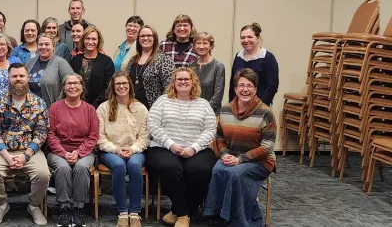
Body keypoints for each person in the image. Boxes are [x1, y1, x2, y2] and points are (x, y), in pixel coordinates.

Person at [146, 67, 217, 227]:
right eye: (180, 79)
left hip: (197, 149)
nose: (183, 82)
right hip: (164, 147)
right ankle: (185, 214)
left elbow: (211, 129)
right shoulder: (163, 101)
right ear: (174, 82)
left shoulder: (204, 104)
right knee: (170, 167)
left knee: (199, 170)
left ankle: (177, 211)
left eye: (187, 79)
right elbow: (152, 125)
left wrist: (194, 147)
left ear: (193, 83)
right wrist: (172, 145)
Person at [205, 68, 276, 227]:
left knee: (235, 174)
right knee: (217, 170)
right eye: (241, 85)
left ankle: (240, 221)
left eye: (249, 85)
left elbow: (267, 147)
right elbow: (220, 137)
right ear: (235, 89)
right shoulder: (226, 109)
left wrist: (240, 160)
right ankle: (218, 216)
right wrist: (223, 154)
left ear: (255, 89)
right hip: (232, 156)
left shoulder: (266, 113)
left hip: (261, 162)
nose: (245, 89)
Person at [0, 63, 50, 225]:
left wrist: (26, 155)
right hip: (2, 151)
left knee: (43, 174)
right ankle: (1, 204)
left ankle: (34, 206)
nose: (18, 79)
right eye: (14, 76)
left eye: (21, 76)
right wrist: (6, 156)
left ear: (28, 78)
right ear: (8, 79)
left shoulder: (38, 103)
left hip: (30, 151)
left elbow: (41, 133)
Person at [97, 71, 150, 227]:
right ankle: (122, 212)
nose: (121, 86)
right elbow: (99, 136)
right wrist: (115, 149)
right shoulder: (103, 108)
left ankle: (134, 212)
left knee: (134, 165)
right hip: (110, 151)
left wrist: (132, 149)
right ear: (113, 87)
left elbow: (145, 137)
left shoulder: (140, 108)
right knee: (119, 166)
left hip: (135, 150)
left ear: (130, 86)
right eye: (118, 84)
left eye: (124, 83)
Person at [47, 73, 99, 227]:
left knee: (82, 167)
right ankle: (63, 208)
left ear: (82, 87)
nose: (72, 86)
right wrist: (63, 153)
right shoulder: (55, 108)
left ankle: (78, 208)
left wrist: (79, 153)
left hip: (84, 152)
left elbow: (93, 136)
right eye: (69, 83)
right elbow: (50, 134)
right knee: (63, 167)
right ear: (64, 88)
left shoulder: (90, 110)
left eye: (76, 83)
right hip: (58, 151)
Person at [123, 25, 175, 109]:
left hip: (154, 109)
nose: (145, 38)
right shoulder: (133, 60)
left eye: (149, 35)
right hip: (132, 108)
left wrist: (160, 109)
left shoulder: (164, 59)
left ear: (155, 38)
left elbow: (169, 87)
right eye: (142, 36)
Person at [229, 22, 279, 106]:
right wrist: (232, 103)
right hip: (239, 105)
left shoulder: (268, 58)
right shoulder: (238, 56)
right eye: (242, 37)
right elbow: (233, 83)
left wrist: (260, 106)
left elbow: (272, 86)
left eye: (250, 37)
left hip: (260, 106)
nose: (245, 40)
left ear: (258, 38)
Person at [69, 26, 115, 108]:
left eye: (94, 39)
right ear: (83, 40)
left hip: (99, 107)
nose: (90, 42)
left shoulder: (106, 61)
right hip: (76, 106)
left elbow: (108, 87)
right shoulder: (75, 60)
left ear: (98, 41)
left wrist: (94, 106)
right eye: (87, 38)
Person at [26, 34, 74, 107]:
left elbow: (71, 85)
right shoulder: (30, 63)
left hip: (53, 109)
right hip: (30, 109)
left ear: (53, 47)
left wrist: (58, 105)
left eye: (47, 44)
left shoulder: (61, 63)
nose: (43, 47)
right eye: (40, 44)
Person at [188, 32, 225, 115]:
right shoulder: (190, 65)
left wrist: (204, 110)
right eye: (198, 43)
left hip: (210, 113)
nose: (201, 46)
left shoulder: (218, 66)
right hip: (192, 112)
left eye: (205, 43)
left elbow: (218, 94)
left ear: (211, 46)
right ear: (194, 46)